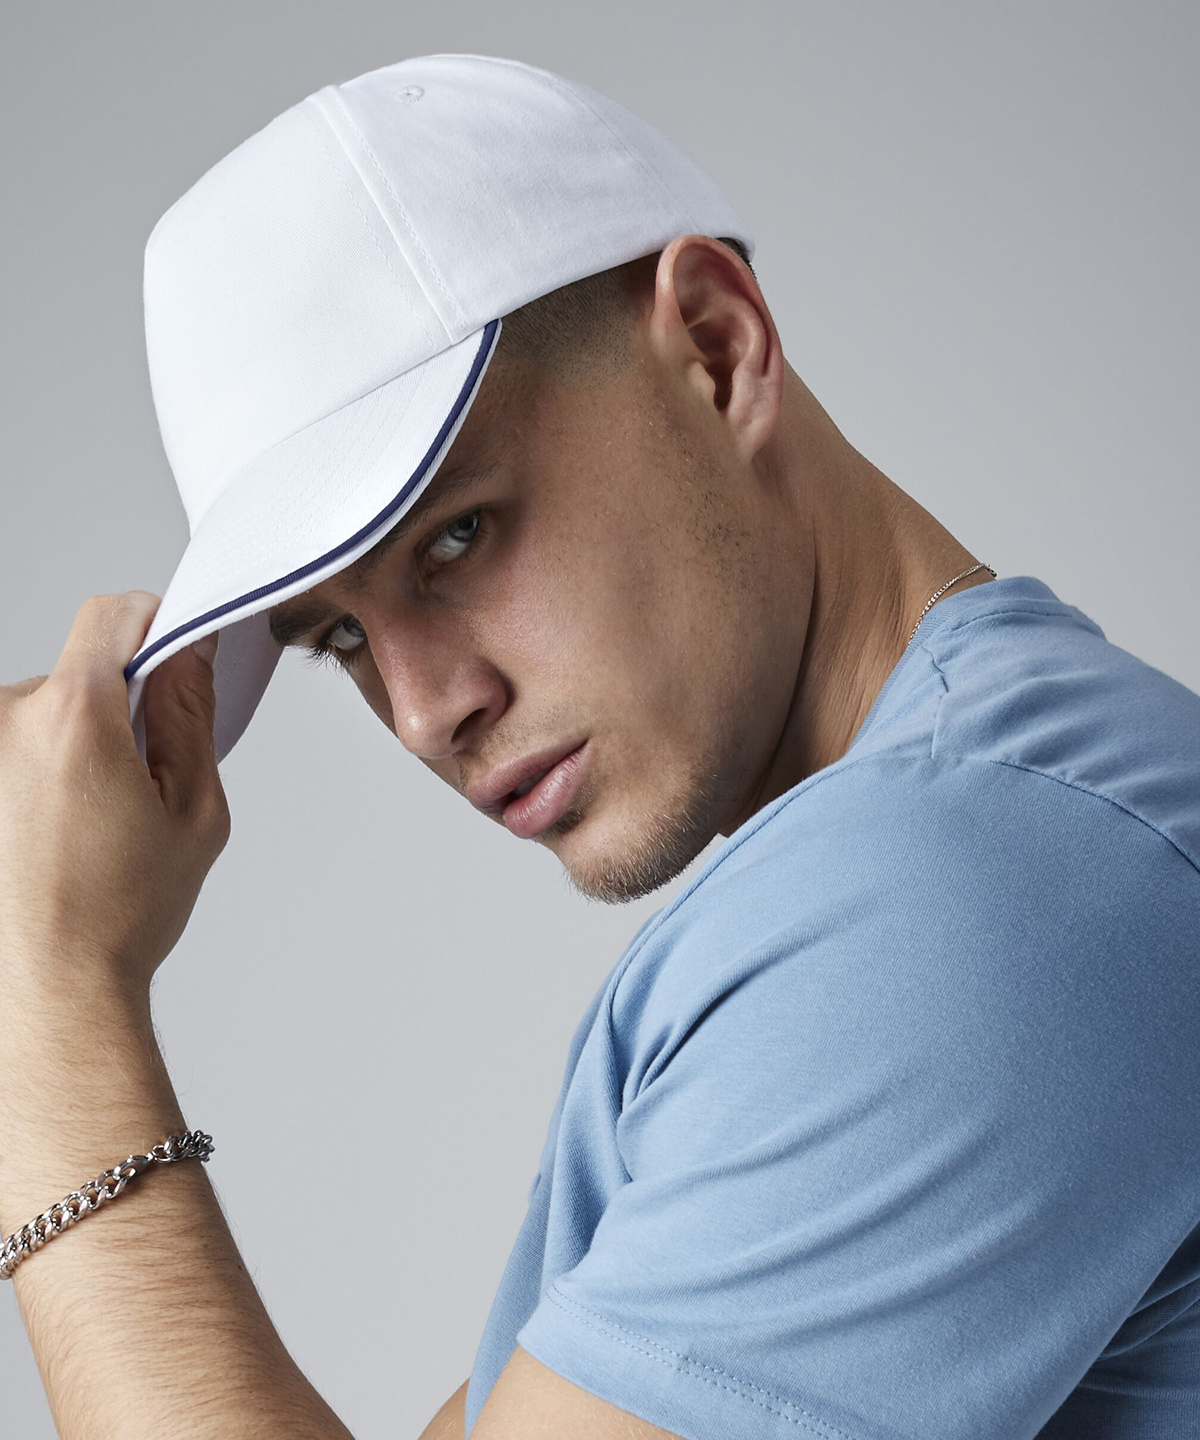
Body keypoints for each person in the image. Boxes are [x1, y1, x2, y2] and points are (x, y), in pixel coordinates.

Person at [2, 52, 1198, 1440]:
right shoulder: (976, 849)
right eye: (340, 639)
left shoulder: (968, 893)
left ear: (715, 348)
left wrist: (52, 993)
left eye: (457, 535)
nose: (421, 712)